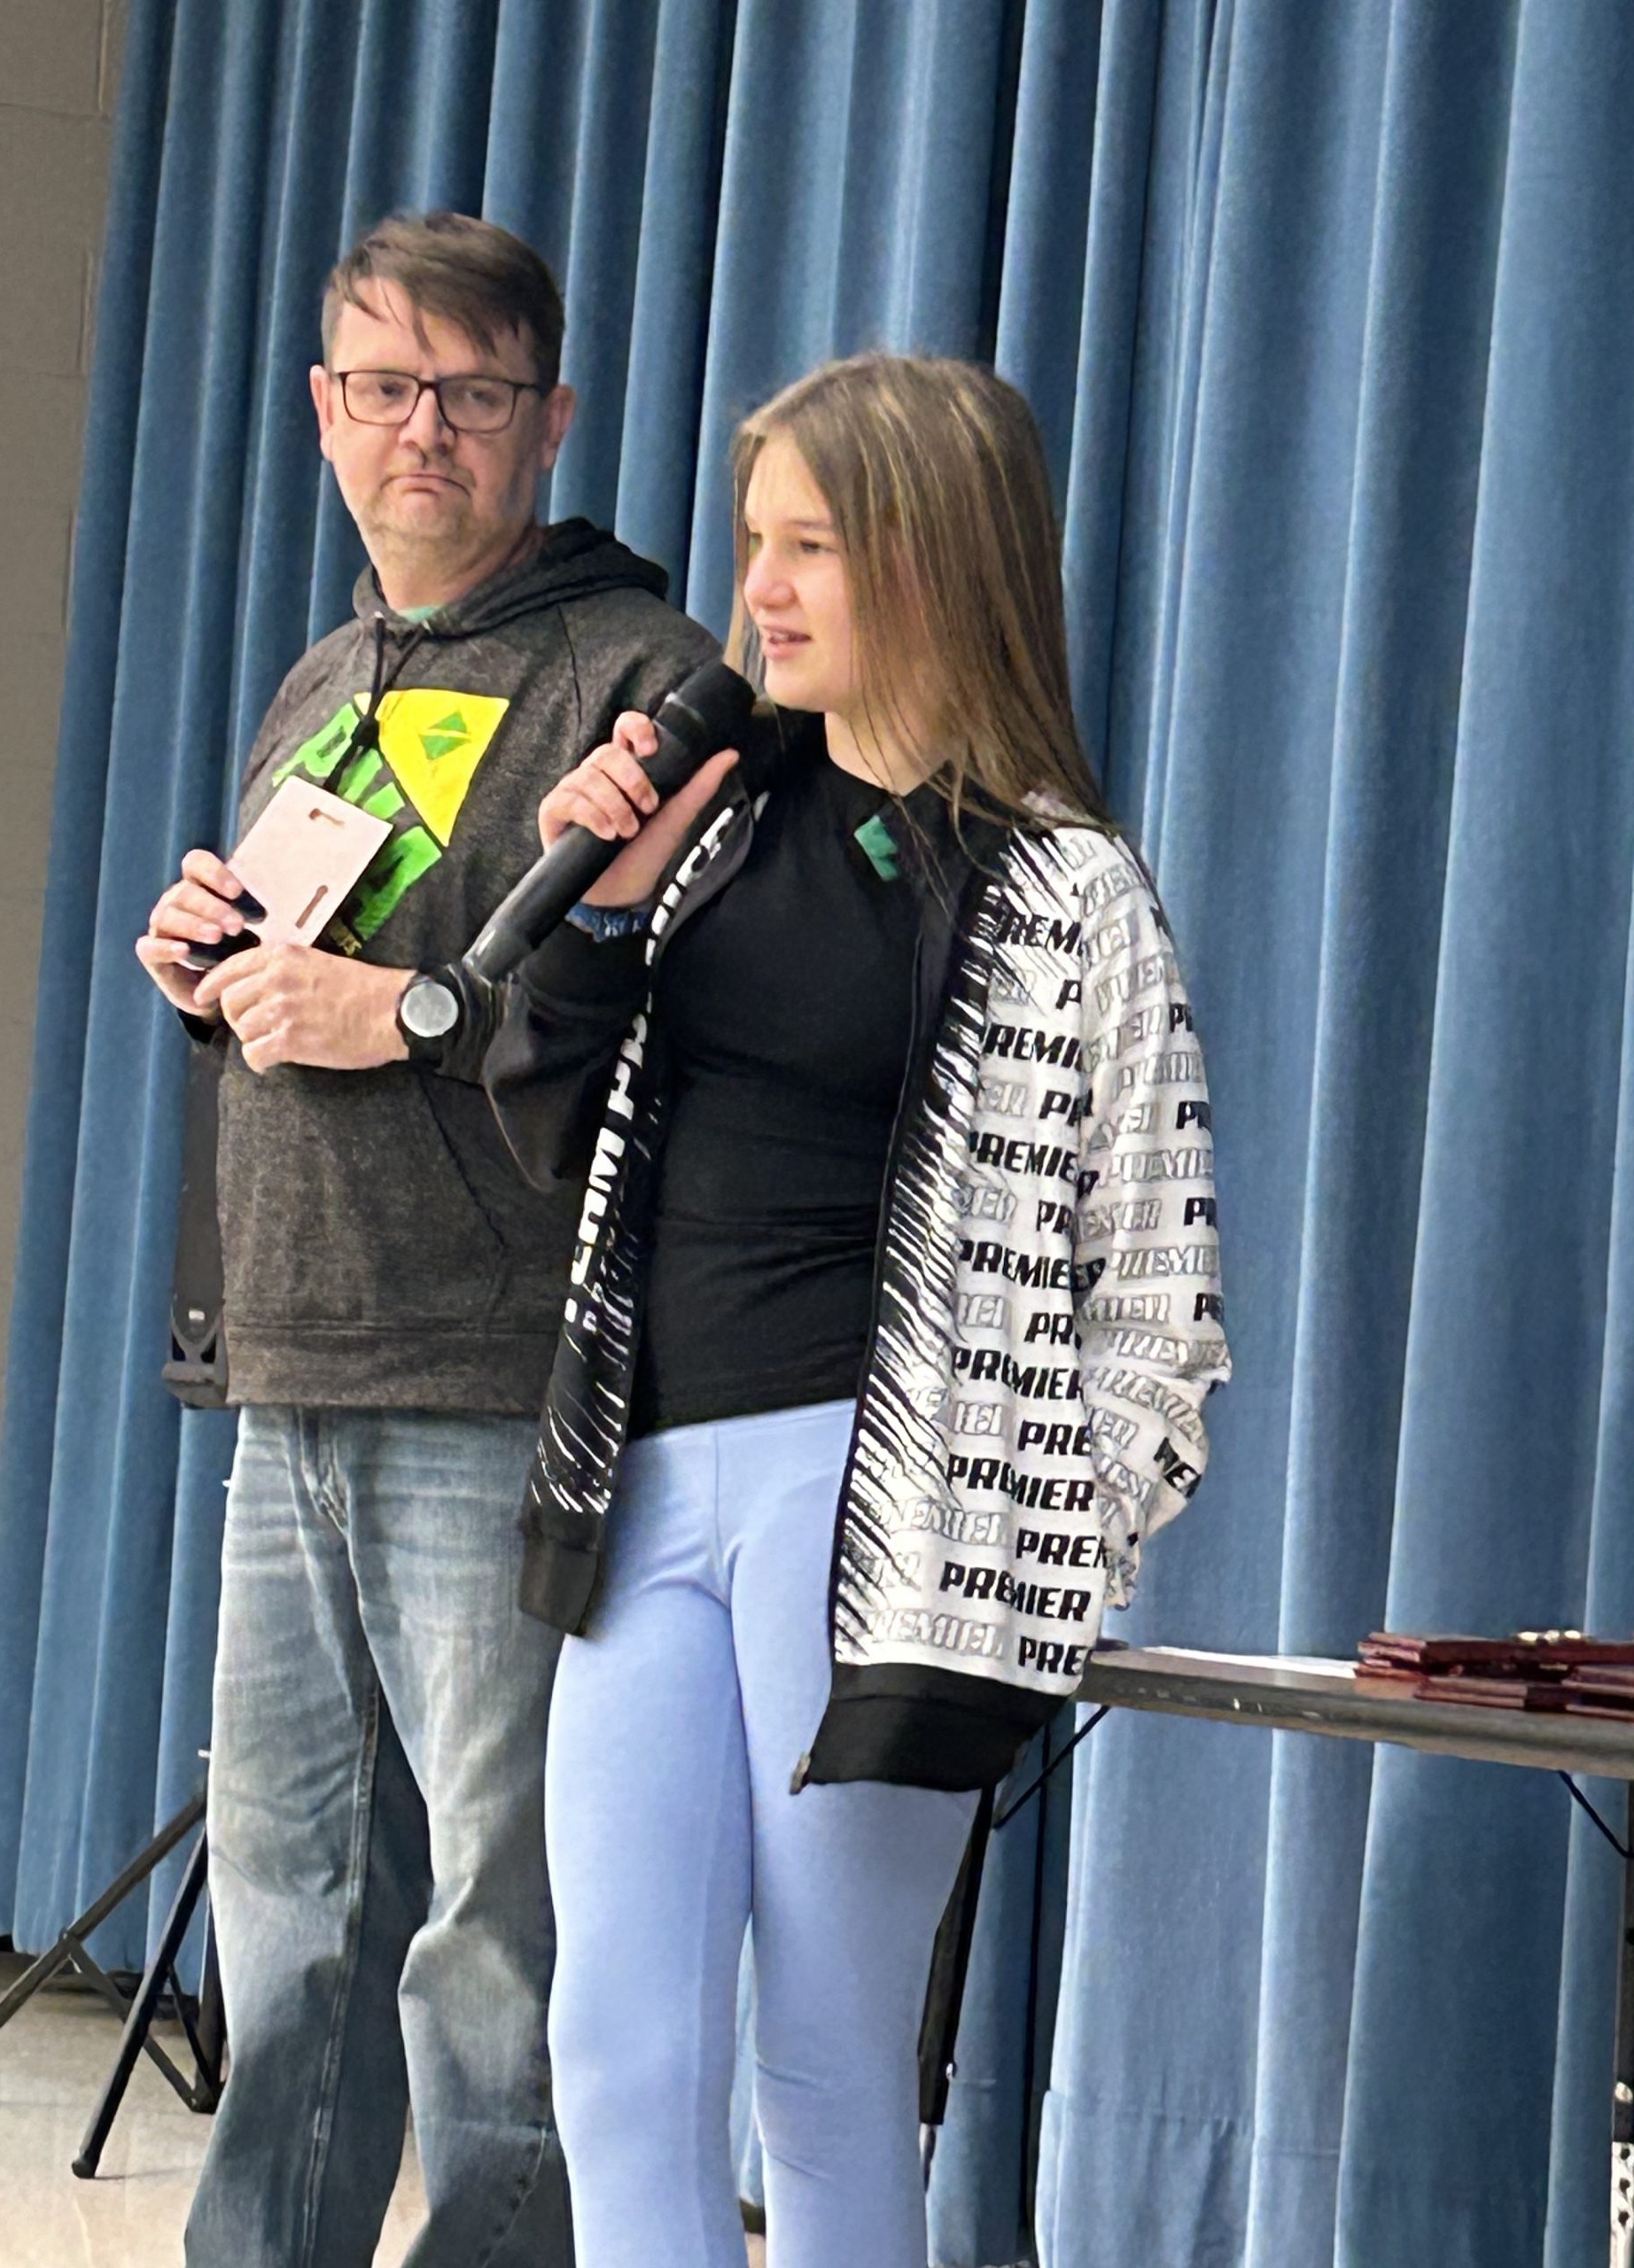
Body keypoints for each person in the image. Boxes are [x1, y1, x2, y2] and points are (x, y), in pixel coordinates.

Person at [480, 352, 1233, 2268]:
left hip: (882, 1527)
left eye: (809, 544)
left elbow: (1159, 1290)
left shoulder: (1067, 890)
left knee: (822, 2075)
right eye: (757, 540)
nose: (761, 589)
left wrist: (1036, 1548)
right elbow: (555, 1131)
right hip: (644, 1484)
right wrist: (599, 912)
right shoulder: (717, 817)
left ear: (933, 557)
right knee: (616, 2056)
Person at [135, 211, 718, 2267]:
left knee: (497, 1931)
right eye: (388, 388)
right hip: (292, 1363)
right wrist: (207, 964)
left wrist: (405, 1012)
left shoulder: (641, 676)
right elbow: (316, 973)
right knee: (288, 1916)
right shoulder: (323, 677)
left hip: (494, 1376)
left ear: (553, 418)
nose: (427, 434)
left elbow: (670, 1021)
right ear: (324, 410)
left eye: (475, 395)